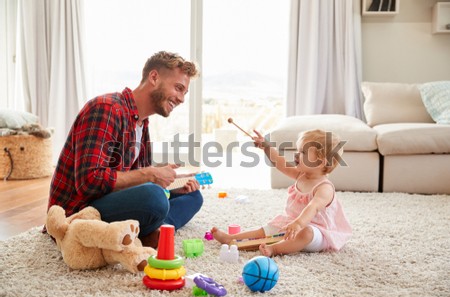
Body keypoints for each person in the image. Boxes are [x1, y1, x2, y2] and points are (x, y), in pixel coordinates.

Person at [47, 51, 203, 248]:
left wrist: (170, 184)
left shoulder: (142, 124)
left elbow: (135, 180)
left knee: (192, 196)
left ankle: (144, 233)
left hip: (109, 201)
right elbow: (88, 182)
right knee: (154, 198)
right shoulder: (106, 108)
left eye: (184, 93)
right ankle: (148, 232)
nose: (181, 99)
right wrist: (151, 175)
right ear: (154, 77)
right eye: (178, 88)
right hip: (79, 212)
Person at [211, 129, 352, 257]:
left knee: (307, 232)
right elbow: (279, 162)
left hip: (318, 232)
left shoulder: (324, 188)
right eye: (298, 150)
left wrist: (299, 224)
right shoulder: (301, 175)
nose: (297, 154)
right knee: (269, 228)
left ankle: (275, 249)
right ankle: (231, 238)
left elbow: (312, 207)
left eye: (303, 152)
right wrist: (266, 147)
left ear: (320, 162)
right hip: (292, 224)